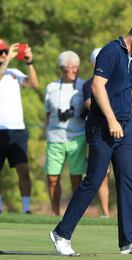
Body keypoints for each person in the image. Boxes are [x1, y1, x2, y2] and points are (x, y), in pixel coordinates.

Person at [49, 17, 132, 256]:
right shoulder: (110, 52)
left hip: (127, 128)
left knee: (127, 181)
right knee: (93, 181)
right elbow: (98, 87)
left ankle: (129, 241)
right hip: (102, 127)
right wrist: (110, 119)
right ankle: (61, 233)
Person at [0, 38, 39, 213]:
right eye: (0, 52)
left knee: (23, 169)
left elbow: (33, 84)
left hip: (16, 128)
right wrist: (7, 60)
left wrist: (29, 62)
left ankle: (26, 209)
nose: (4, 54)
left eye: (5, 51)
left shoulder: (14, 71)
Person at [44, 50, 86, 216]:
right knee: (52, 178)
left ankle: (74, 214)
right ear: (61, 68)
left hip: (77, 137)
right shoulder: (51, 87)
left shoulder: (83, 86)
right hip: (55, 137)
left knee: (76, 178)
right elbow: (47, 113)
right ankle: (55, 213)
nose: (73, 70)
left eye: (76, 67)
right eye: (69, 67)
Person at [83, 47, 111, 218]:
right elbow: (89, 104)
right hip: (99, 132)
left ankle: (107, 212)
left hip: (117, 131)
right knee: (100, 174)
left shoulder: (114, 80)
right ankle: (105, 212)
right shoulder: (89, 84)